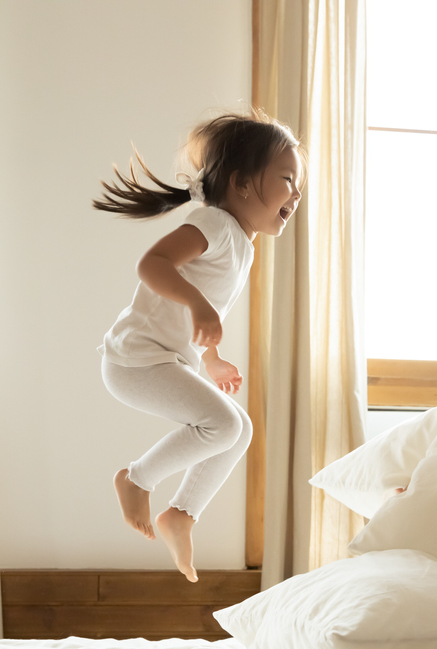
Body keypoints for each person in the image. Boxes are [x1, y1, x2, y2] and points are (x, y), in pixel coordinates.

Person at [94, 112, 304, 582]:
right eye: (288, 179)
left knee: (239, 429)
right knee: (224, 424)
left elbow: (198, 312)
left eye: (299, 185)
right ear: (243, 184)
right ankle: (136, 479)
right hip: (134, 361)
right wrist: (198, 305)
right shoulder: (213, 223)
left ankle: (182, 515)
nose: (297, 193)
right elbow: (152, 264)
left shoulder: (240, 243)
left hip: (161, 359)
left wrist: (210, 357)